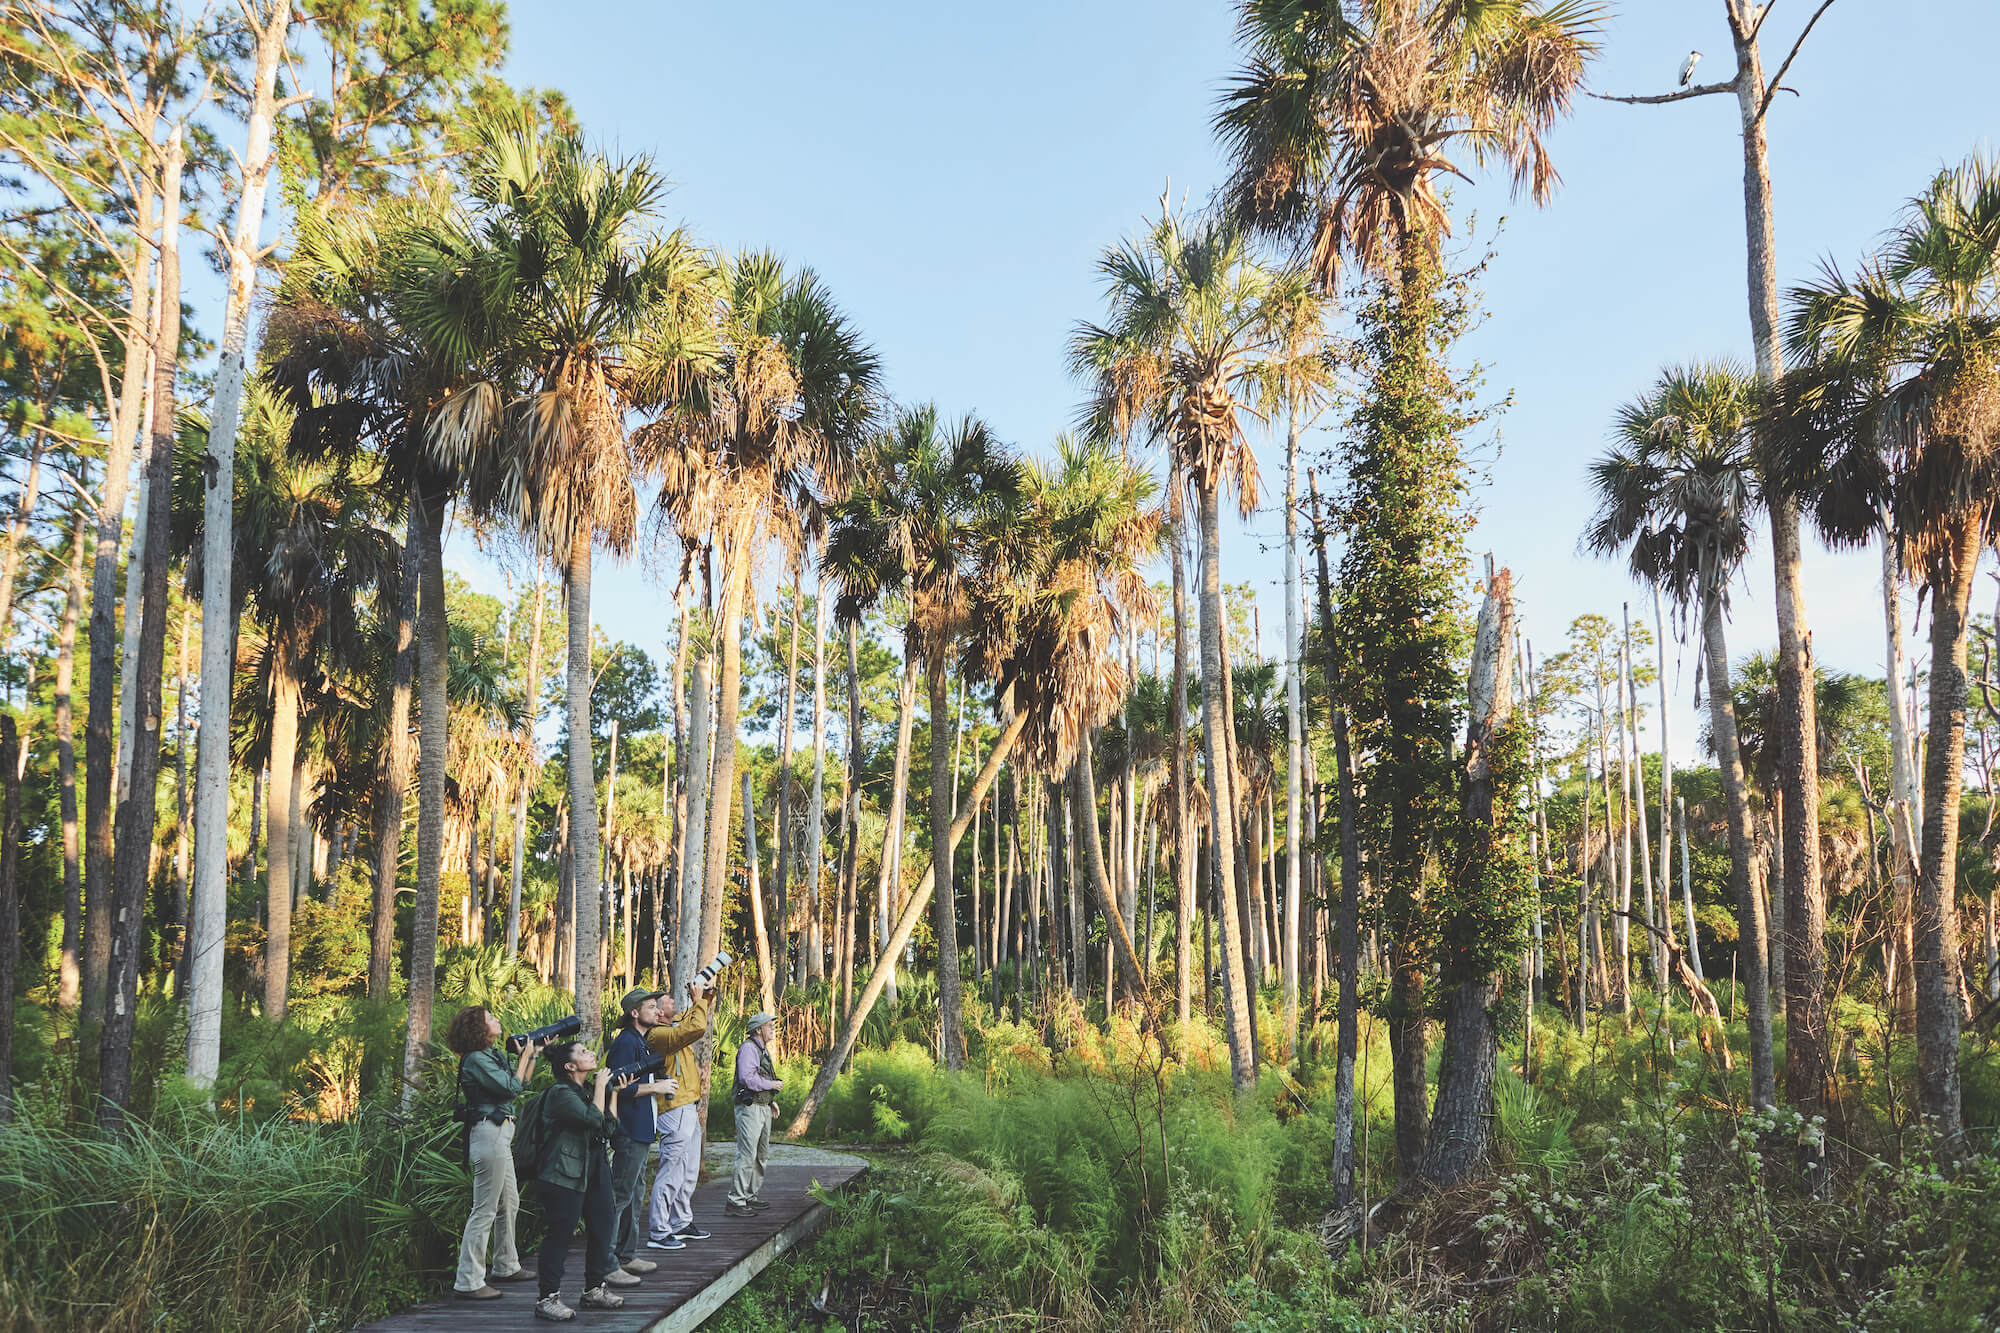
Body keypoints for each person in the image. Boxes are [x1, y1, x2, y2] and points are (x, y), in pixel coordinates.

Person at [529, 1040, 643, 1322]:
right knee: (560, 1234)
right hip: (563, 1172)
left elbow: (608, 1125)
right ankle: (547, 1298)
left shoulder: (587, 1091)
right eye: (583, 1053)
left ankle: (594, 1289)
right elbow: (592, 1118)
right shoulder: (560, 1094)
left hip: (594, 1168)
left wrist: (613, 1092)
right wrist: (603, 1088)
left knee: (603, 1227)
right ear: (570, 1067)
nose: (591, 1054)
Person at [444, 1004, 538, 1300]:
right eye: (491, 1018)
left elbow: (523, 1083)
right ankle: (469, 1280)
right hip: (489, 1132)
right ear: (479, 1029)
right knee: (484, 1208)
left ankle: (506, 1264)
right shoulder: (475, 1060)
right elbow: (510, 1088)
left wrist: (532, 1055)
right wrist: (523, 1057)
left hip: (500, 1133)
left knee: (509, 1201)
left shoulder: (491, 1055)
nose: (498, 1019)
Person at [605, 988, 678, 1276]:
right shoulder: (625, 1042)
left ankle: (626, 1254)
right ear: (634, 1013)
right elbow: (615, 1086)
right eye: (650, 1006)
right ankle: (607, 1261)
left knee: (635, 1193)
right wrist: (656, 1087)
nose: (656, 1010)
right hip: (629, 1130)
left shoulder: (640, 1042)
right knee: (621, 1194)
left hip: (642, 1129)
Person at [643, 977, 714, 1251]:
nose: (674, 1001)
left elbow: (693, 1018)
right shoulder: (657, 1035)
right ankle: (659, 1230)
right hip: (673, 1108)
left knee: (687, 1171)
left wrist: (705, 996)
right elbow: (695, 1026)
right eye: (669, 1001)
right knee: (671, 1171)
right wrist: (697, 1000)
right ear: (660, 1012)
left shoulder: (672, 1027)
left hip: (688, 1106)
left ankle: (680, 1222)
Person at [725, 1012, 785, 1217]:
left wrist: (771, 1100)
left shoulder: (762, 1049)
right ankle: (736, 1200)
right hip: (749, 1109)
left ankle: (750, 1195)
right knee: (747, 1154)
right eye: (769, 1026)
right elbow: (747, 1079)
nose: (773, 1029)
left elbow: (759, 1077)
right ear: (758, 1029)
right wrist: (772, 1085)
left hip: (762, 1106)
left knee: (761, 1154)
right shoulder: (749, 1048)